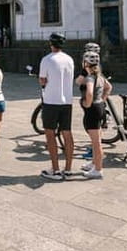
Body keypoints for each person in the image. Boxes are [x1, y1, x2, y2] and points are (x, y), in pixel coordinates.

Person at [38, 32, 75, 180]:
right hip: (67, 101)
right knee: (67, 133)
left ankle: (55, 169)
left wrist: (45, 83)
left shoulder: (47, 59)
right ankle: (68, 169)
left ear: (51, 43)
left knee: (50, 134)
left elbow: (42, 80)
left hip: (51, 101)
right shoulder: (69, 59)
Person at [78, 50, 111, 179]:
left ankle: (98, 169)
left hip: (93, 110)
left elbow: (90, 92)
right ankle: (94, 163)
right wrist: (102, 100)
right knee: (95, 140)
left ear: (86, 63)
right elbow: (109, 87)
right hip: (99, 107)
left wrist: (88, 103)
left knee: (96, 142)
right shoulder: (100, 76)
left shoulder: (90, 78)